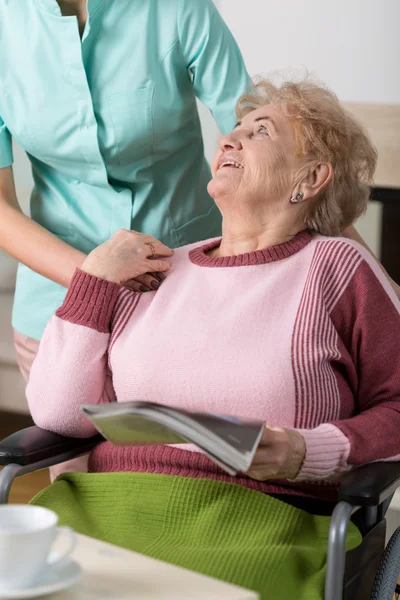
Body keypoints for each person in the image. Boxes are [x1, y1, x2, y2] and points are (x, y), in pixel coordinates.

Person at [26, 77, 400, 599]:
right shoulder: (153, 269)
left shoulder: (337, 269)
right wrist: (94, 278)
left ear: (310, 177)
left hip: (266, 524)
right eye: (233, 130)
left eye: (260, 132)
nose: (228, 140)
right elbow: (57, 415)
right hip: (106, 504)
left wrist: (305, 451)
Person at [0, 0, 251, 476]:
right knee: (80, 507)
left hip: (186, 306)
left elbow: (267, 142)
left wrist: (365, 271)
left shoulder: (177, 9)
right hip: (59, 317)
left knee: (184, 496)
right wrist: (95, 276)